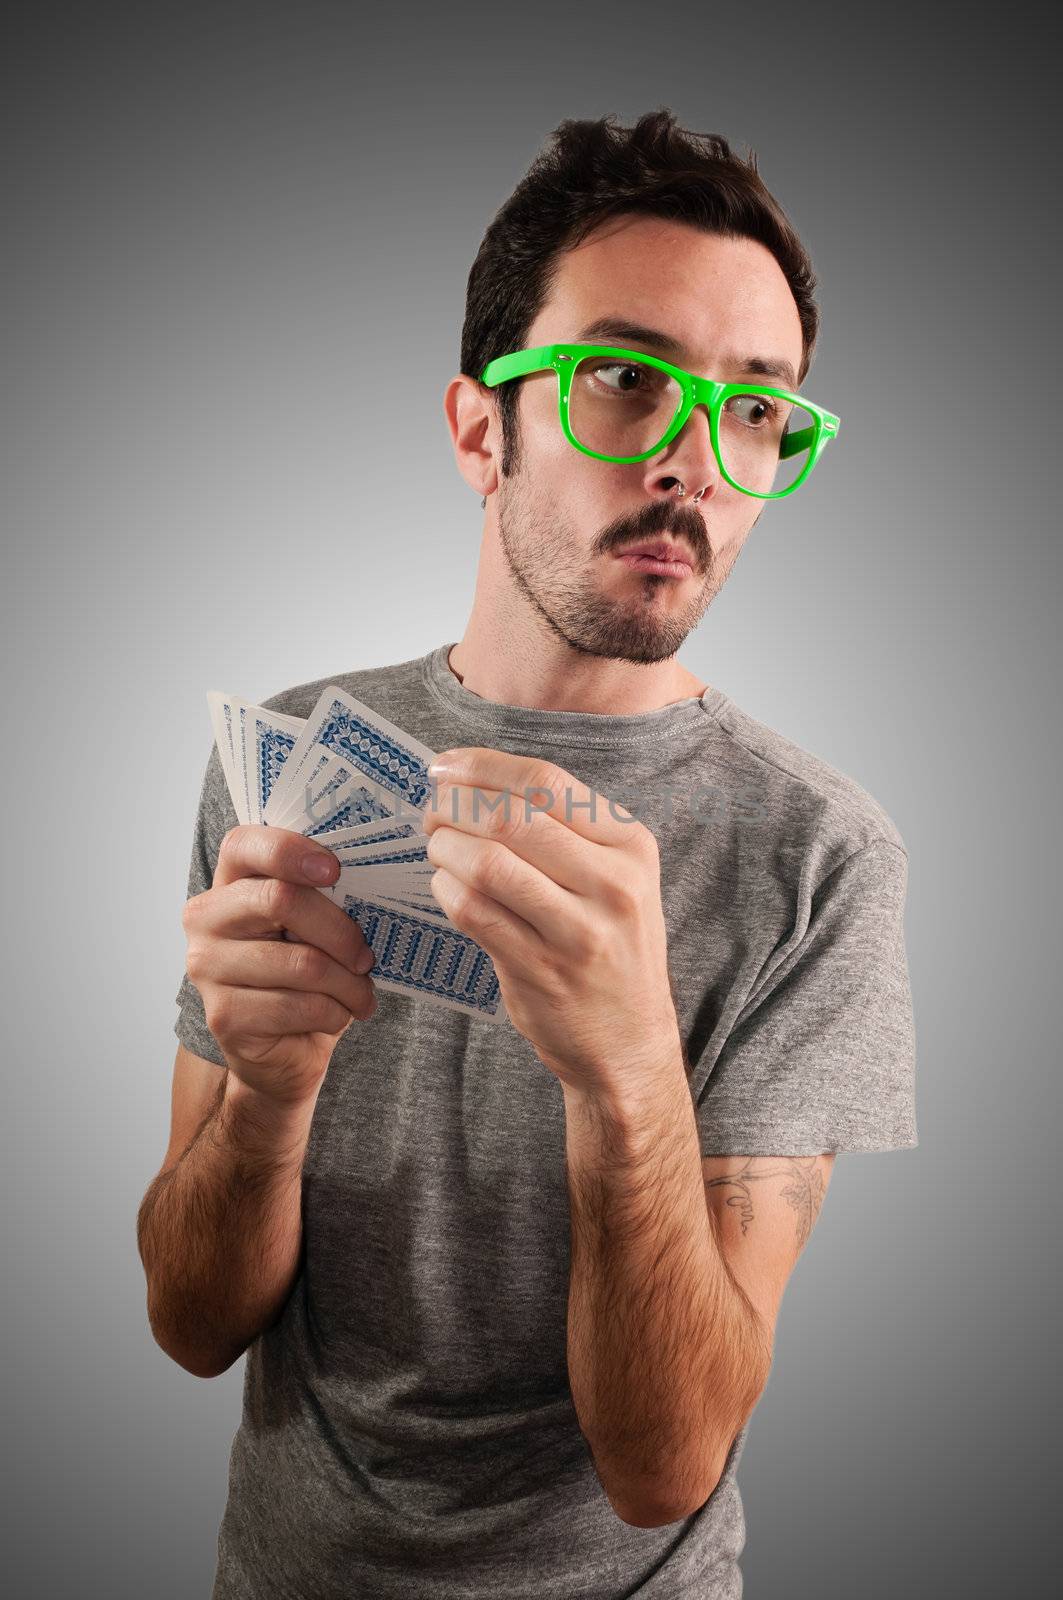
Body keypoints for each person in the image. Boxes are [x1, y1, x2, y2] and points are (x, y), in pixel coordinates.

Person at [137, 109, 917, 1600]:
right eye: (627, 380)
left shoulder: (824, 861)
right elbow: (188, 1324)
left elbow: (666, 1465)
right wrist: (270, 1099)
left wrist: (631, 1083)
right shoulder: (290, 762)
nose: (697, 459)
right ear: (481, 428)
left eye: (759, 412)